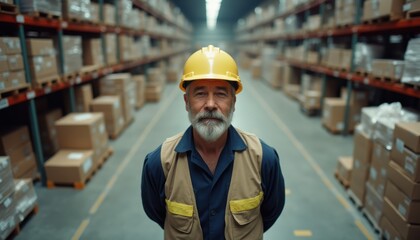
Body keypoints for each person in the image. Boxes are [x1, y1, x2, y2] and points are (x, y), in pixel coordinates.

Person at [141, 45, 285, 240]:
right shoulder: (159, 164)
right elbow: (157, 213)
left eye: (221, 94)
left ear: (234, 102)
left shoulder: (263, 160)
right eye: (200, 93)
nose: (210, 104)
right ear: (186, 102)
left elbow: (269, 213)